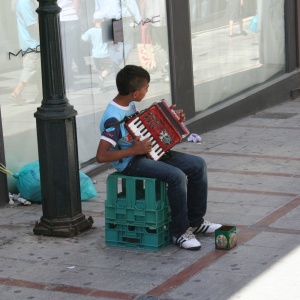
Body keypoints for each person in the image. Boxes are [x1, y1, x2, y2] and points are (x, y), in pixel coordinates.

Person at [96, 65, 222, 250]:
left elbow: (138, 126)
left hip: (146, 151)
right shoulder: (112, 119)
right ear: (136, 93)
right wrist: (134, 150)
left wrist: (169, 118)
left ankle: (195, 222)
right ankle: (179, 232)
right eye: (146, 88)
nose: (147, 90)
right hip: (130, 162)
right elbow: (101, 155)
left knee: (197, 165)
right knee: (176, 176)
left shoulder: (129, 103)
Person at [9, 0, 42, 105]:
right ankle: (16, 92)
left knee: (39, 71)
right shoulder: (25, 3)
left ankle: (41, 94)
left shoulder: (29, 2)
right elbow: (32, 24)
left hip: (33, 42)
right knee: (31, 68)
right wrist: (48, 29)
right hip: (32, 43)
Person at [81, 12, 114, 91]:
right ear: (103, 20)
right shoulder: (106, 30)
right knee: (109, 67)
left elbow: (84, 39)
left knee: (100, 70)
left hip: (95, 54)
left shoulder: (90, 31)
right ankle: (101, 78)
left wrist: (81, 33)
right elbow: (111, 42)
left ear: (93, 20)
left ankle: (101, 86)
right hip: (104, 54)